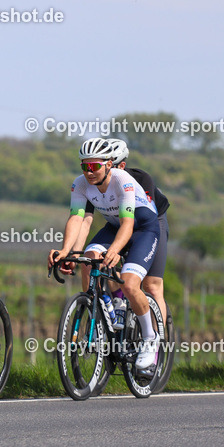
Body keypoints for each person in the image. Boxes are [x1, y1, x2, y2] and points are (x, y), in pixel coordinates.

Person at [48, 138, 162, 373]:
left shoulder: (124, 181)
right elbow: (77, 219)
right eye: (84, 166)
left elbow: (128, 225)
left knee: (131, 284)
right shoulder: (80, 184)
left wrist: (114, 251)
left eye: (94, 166)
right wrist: (66, 251)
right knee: (88, 258)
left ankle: (150, 339)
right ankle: (104, 307)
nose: (89, 172)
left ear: (109, 164)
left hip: (142, 228)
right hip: (114, 226)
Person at [73, 138, 170, 326]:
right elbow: (84, 220)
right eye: (88, 167)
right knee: (95, 261)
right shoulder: (90, 183)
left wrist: (119, 249)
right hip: (119, 221)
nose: (93, 172)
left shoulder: (139, 180)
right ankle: (103, 314)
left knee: (152, 284)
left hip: (150, 221)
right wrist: (75, 253)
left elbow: (136, 221)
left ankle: (158, 343)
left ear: (119, 165)